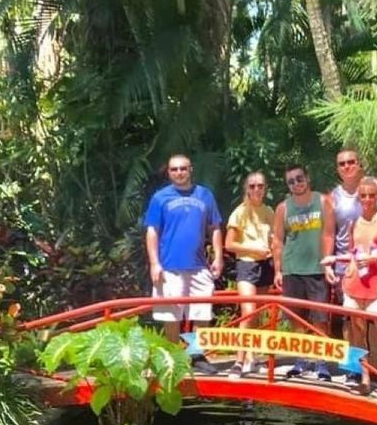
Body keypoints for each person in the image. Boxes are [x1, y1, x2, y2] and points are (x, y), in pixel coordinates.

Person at [323, 177, 377, 396]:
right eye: (363, 195)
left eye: (372, 195)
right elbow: (353, 254)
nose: (368, 199)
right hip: (355, 284)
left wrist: (374, 259)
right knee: (357, 333)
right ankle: (365, 378)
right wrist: (334, 260)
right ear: (358, 198)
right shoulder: (354, 224)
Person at [144, 153, 223, 374]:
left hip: (199, 266)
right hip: (169, 266)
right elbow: (152, 231)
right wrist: (154, 263)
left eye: (183, 168)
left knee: (201, 312)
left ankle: (195, 355)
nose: (179, 173)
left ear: (190, 169)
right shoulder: (160, 198)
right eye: (174, 169)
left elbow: (215, 227)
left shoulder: (205, 195)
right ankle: (173, 355)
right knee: (171, 314)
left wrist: (218, 256)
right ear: (169, 172)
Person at [329, 147, 377, 365]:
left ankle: (375, 369)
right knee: (351, 321)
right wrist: (328, 262)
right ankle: (354, 369)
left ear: (360, 163)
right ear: (337, 169)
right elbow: (329, 232)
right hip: (348, 264)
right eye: (342, 164)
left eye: (351, 161)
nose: (347, 166)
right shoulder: (335, 195)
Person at [272, 163, 336, 380]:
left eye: (299, 179)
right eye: (291, 181)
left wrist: (327, 263)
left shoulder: (323, 201)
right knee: (296, 318)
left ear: (307, 178)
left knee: (320, 319)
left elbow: (328, 234)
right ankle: (301, 360)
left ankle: (321, 362)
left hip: (316, 269)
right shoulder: (283, 208)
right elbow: (278, 241)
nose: (296, 184)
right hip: (292, 270)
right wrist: (278, 270)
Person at [224, 171, 275, 378]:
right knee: (248, 311)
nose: (256, 189)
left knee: (258, 313)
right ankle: (239, 360)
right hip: (247, 265)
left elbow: (275, 238)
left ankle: (253, 357)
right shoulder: (240, 212)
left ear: (265, 188)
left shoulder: (269, 211)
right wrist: (255, 250)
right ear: (247, 188)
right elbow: (229, 244)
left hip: (266, 265)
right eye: (252, 186)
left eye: (260, 186)